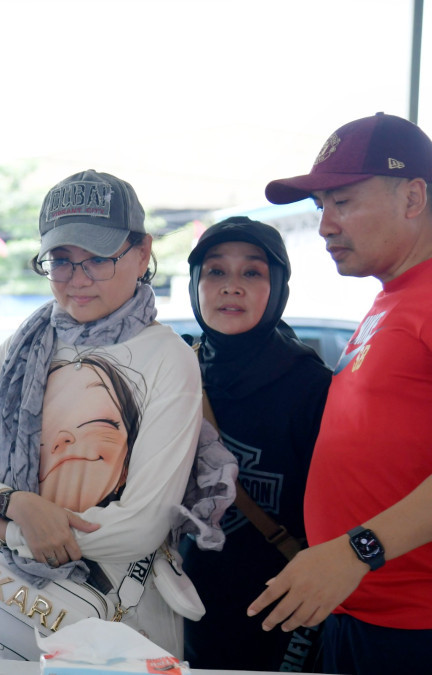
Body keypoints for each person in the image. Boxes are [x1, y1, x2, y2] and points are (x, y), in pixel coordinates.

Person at [0, 169, 206, 659]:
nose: (77, 279)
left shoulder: (169, 359)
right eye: (61, 261)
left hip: (122, 618)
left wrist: (6, 530)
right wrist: (16, 503)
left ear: (142, 253)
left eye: (98, 259)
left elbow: (141, 525)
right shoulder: (19, 350)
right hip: (7, 610)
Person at [249, 112, 432, 674]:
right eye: (320, 205)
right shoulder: (392, 297)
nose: (325, 225)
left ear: (413, 198)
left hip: (414, 629)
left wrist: (358, 549)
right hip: (359, 616)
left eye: (343, 202)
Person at [180, 217, 331, 671]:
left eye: (252, 272)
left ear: (278, 287)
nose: (232, 286)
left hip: (282, 615)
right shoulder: (177, 372)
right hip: (183, 609)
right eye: (216, 271)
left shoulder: (311, 387)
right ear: (196, 283)